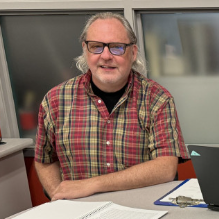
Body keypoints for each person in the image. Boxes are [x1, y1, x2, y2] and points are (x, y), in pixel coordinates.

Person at [35, 12, 189, 201]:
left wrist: (93, 184)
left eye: (117, 47)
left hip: (141, 211)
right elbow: (45, 160)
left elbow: (166, 167)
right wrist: (57, 195)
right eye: (96, 47)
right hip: (77, 211)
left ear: (133, 53)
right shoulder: (55, 101)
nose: (106, 56)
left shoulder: (157, 99)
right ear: (85, 50)